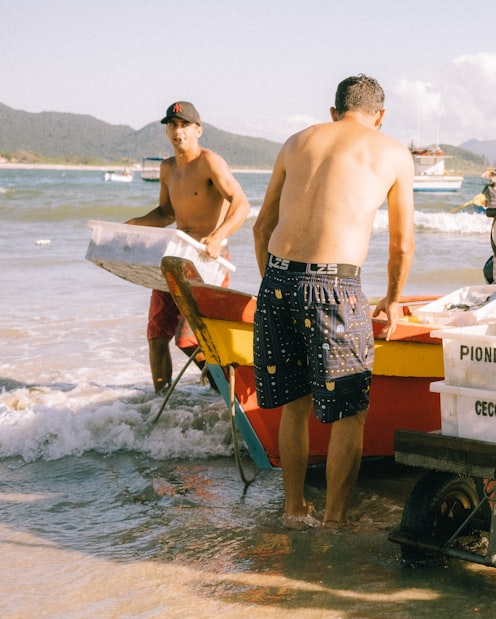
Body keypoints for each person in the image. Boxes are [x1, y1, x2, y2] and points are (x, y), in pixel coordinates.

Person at [252, 74, 415, 529]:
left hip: (278, 280)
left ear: (333, 111)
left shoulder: (296, 141)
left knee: (295, 405)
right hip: (334, 286)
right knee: (349, 413)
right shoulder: (392, 151)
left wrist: (277, 288)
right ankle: (334, 521)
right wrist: (393, 299)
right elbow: (402, 246)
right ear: (379, 116)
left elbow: (261, 228)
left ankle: (292, 509)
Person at [126, 101, 250, 393]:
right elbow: (166, 213)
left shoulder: (210, 162)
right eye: (172, 125)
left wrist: (218, 236)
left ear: (198, 130)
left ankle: (229, 390)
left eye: (184, 125)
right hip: (174, 256)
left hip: (207, 260)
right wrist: (135, 224)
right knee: (157, 336)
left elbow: (242, 204)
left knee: (188, 339)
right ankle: (162, 403)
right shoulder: (167, 168)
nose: (177, 131)